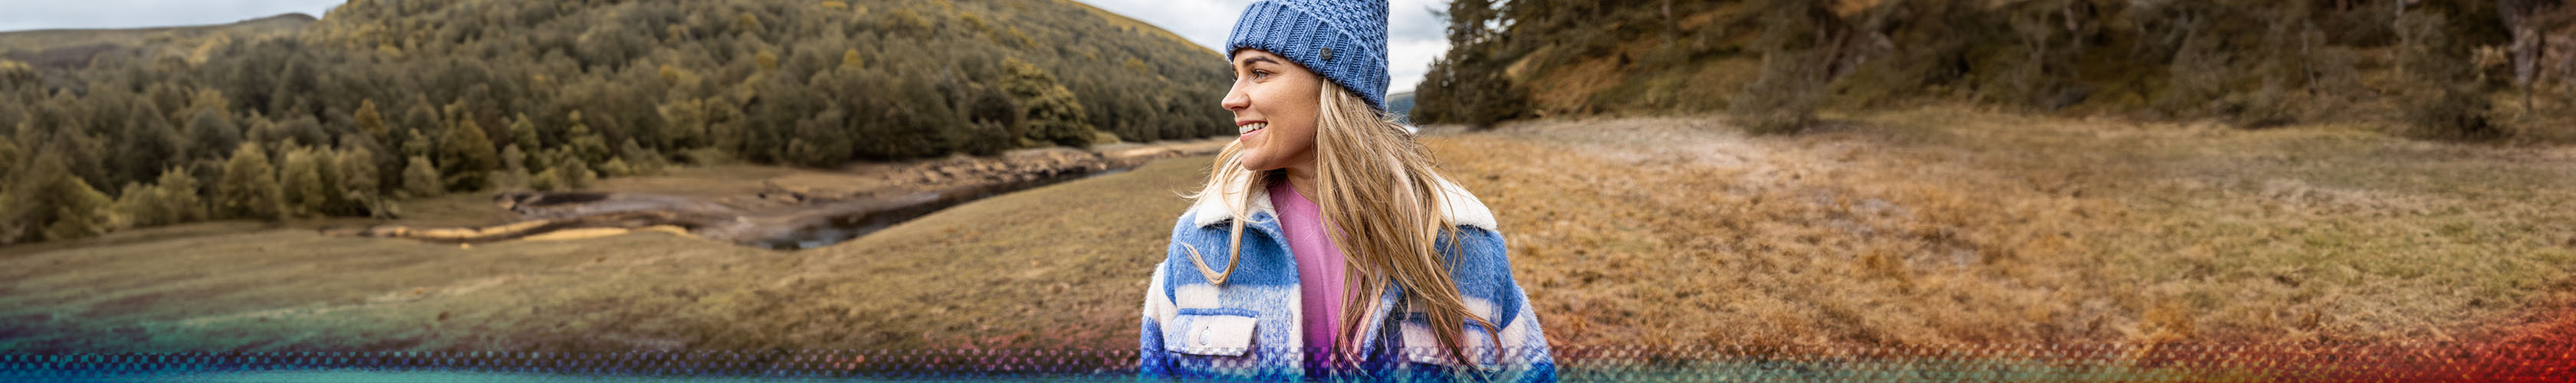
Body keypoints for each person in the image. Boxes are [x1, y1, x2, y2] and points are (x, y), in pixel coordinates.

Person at [1137, 1, 1555, 381]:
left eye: (1259, 72)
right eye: (1236, 75)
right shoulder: (1199, 242)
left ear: (1336, 84)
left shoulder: (1461, 244)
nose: (1230, 99)